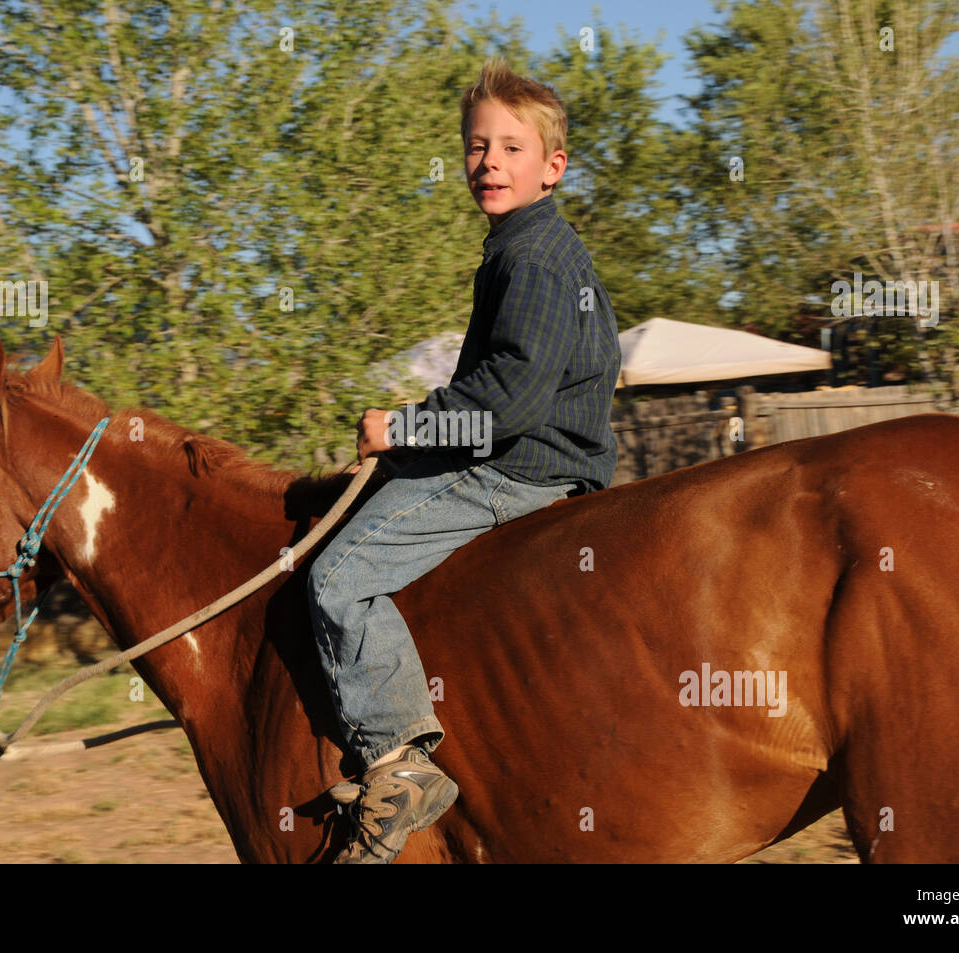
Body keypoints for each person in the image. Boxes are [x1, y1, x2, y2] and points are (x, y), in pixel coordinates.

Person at [306, 56, 622, 864]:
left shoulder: (537, 257)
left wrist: (402, 431)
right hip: (524, 456)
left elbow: (509, 401)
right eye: (478, 146)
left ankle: (397, 761)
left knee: (338, 577)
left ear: (554, 167)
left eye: (512, 148)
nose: (489, 162)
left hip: (521, 468)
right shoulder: (522, 248)